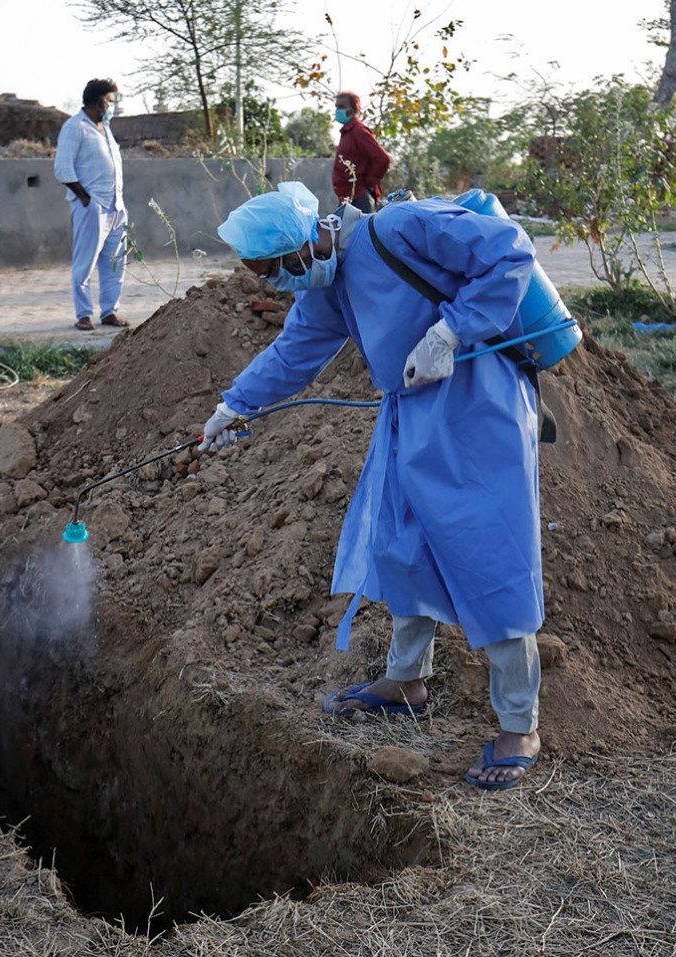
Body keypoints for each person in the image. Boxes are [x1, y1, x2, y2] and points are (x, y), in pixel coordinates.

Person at [204, 182, 544, 791]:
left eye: (274, 268)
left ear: (306, 241)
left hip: (477, 403)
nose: (274, 284)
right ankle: (406, 680)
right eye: (263, 276)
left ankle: (519, 725)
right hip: (410, 411)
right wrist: (234, 405)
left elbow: (509, 251)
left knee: (490, 553)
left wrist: (450, 332)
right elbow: (294, 352)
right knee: (403, 543)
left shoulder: (401, 227)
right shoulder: (325, 285)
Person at [53, 78, 130, 331]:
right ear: (99, 102)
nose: (113, 105)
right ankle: (84, 314)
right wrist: (85, 199)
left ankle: (110, 311)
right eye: (110, 101)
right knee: (85, 263)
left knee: (115, 263)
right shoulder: (75, 127)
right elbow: (62, 169)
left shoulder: (105, 128)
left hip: (116, 206)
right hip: (92, 206)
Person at [331, 91, 390, 212]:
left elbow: (382, 159)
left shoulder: (358, 131)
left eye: (341, 107)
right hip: (348, 198)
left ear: (352, 110)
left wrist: (369, 182)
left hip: (359, 198)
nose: (337, 110)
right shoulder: (347, 133)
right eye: (337, 107)